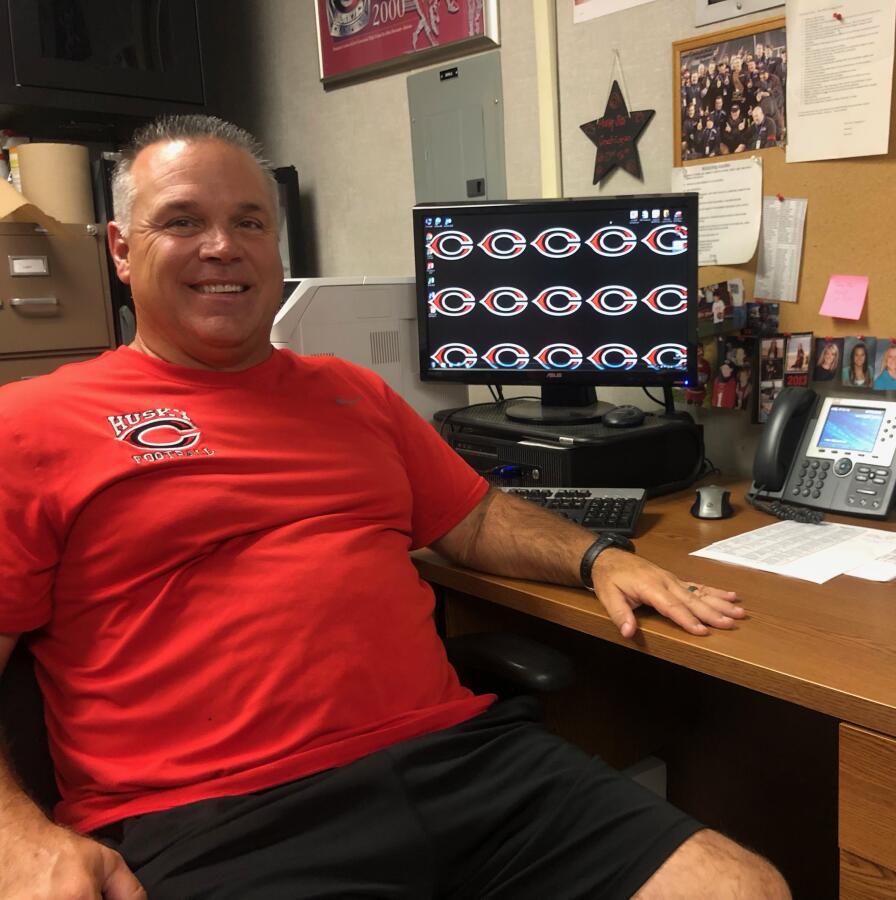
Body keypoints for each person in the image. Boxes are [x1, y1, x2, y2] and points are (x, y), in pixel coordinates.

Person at [0, 116, 788, 899]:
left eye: (249, 222)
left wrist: (598, 556)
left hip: (460, 764)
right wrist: (19, 837)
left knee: (742, 887)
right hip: (218, 819)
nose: (222, 247)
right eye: (181, 221)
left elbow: (473, 516)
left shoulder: (353, 394)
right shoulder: (33, 425)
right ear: (118, 247)